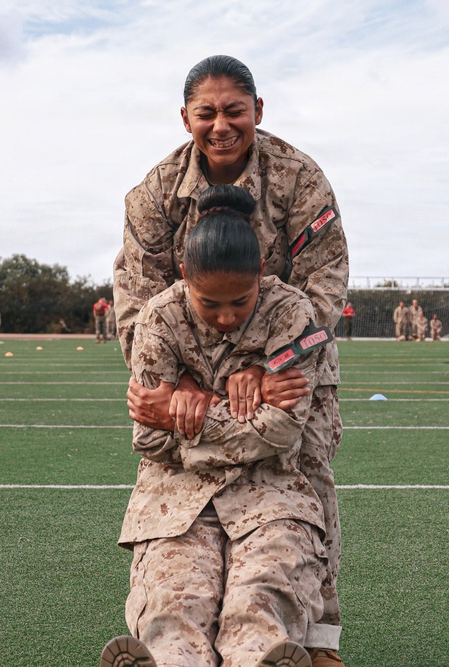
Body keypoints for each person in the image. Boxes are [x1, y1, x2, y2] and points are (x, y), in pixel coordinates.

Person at [112, 55, 348, 666]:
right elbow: (138, 303)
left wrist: (269, 363)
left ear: (258, 112)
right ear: (186, 118)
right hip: (184, 354)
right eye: (206, 112)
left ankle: (315, 640)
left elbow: (326, 282)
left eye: (234, 111)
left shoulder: (299, 178)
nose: (221, 125)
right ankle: (173, 637)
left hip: (289, 353)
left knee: (308, 477)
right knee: (173, 485)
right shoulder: (155, 194)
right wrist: (183, 377)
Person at [103, 185, 328, 667]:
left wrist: (192, 416)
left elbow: (283, 431)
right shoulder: (158, 318)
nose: (226, 318)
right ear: (185, 275)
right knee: (174, 603)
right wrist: (241, 410)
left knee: (263, 596)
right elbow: (147, 437)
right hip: (176, 497)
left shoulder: (292, 314)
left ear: (262, 275)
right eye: (209, 304)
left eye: (241, 302)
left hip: (271, 493)